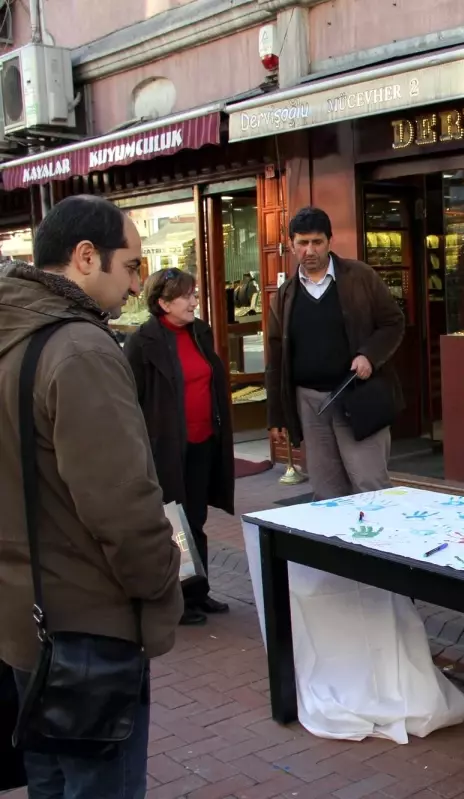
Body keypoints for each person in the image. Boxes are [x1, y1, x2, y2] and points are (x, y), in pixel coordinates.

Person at [0, 195, 183, 798]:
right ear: (86, 258)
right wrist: (162, 584)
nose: (137, 285)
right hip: (86, 631)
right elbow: (123, 504)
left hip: (23, 619)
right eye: (131, 266)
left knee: (50, 783)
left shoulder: (14, 334)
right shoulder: (79, 348)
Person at [267, 207, 405, 501]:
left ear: (330, 241)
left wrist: (369, 354)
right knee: (327, 489)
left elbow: (393, 322)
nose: (310, 250)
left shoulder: (360, 277)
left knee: (369, 484)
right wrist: (276, 415)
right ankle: (339, 547)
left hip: (356, 394)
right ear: (291, 244)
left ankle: (378, 544)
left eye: (317, 242)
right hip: (309, 402)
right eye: (302, 243)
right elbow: (276, 357)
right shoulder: (285, 294)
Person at [125, 268, 235, 627]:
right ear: (163, 302)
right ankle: (179, 598)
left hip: (203, 443)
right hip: (167, 448)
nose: (194, 301)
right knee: (175, 523)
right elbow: (132, 399)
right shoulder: (142, 343)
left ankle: (199, 591)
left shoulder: (199, 332)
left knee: (197, 520)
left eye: (194, 293)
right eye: (186, 296)